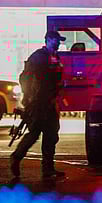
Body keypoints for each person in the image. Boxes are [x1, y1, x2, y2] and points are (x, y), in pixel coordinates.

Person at [10, 31, 66, 179]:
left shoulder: (54, 56)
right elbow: (25, 78)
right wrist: (29, 97)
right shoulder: (39, 57)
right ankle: (16, 157)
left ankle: (48, 169)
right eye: (56, 40)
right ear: (48, 40)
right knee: (34, 133)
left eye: (59, 41)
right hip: (38, 103)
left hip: (50, 102)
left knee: (51, 135)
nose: (59, 43)